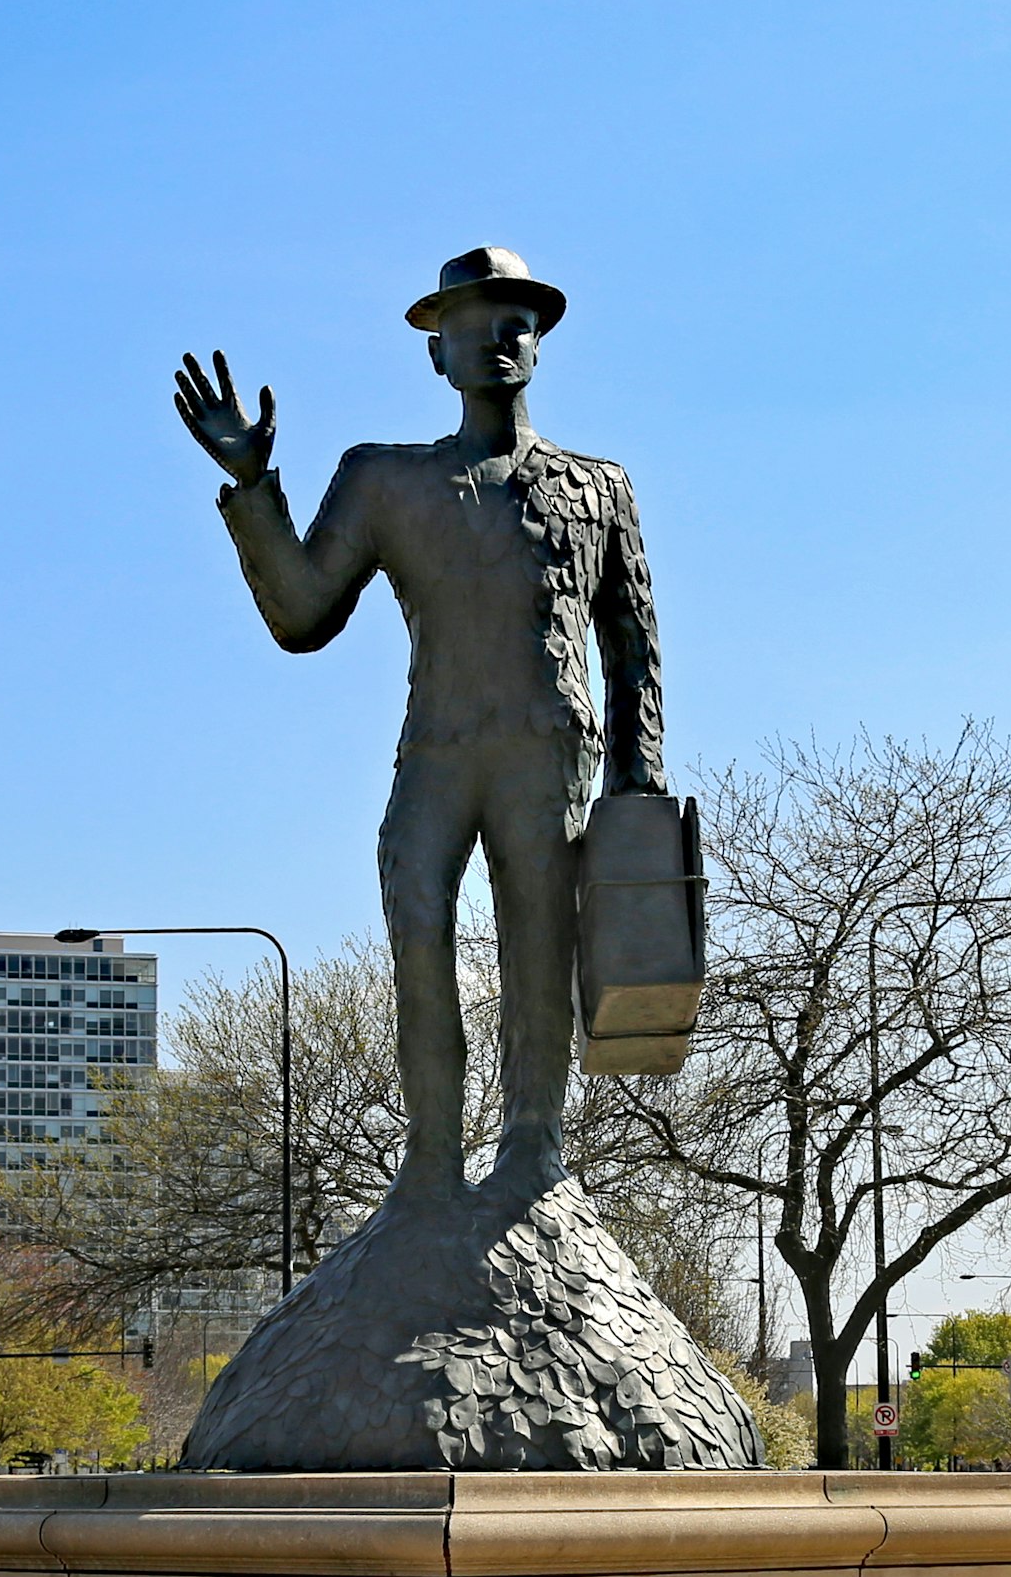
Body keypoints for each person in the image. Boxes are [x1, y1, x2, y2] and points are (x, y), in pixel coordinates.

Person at [174, 247, 664, 1203]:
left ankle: (534, 1146)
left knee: (538, 945)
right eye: (471, 323)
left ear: (540, 343)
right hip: (438, 750)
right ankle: (432, 1158)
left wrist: (636, 782)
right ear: (436, 354)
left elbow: (633, 642)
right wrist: (253, 486)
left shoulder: (600, 488)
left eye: (516, 319)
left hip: (549, 749)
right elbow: (303, 615)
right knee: (420, 927)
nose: (497, 337)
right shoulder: (384, 481)